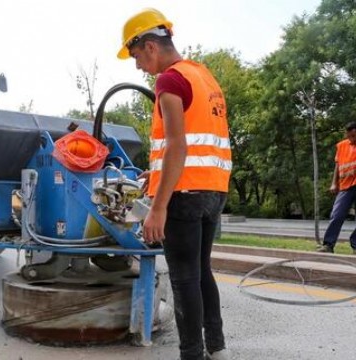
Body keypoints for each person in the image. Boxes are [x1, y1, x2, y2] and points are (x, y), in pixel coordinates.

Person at [117, 9, 232, 360]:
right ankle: (217, 347)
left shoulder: (168, 80)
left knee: (183, 279)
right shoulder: (203, 75)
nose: (138, 66)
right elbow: (192, 145)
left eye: (136, 56)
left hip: (184, 194)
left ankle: (191, 354)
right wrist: (151, 177)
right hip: (214, 189)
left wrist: (158, 207)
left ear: (150, 46)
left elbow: (178, 145)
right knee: (201, 272)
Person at [317, 122, 356, 255]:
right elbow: (338, 166)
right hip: (346, 185)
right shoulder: (342, 145)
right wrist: (334, 183)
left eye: (354, 135)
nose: (351, 138)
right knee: (337, 214)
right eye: (349, 135)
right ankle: (328, 245)